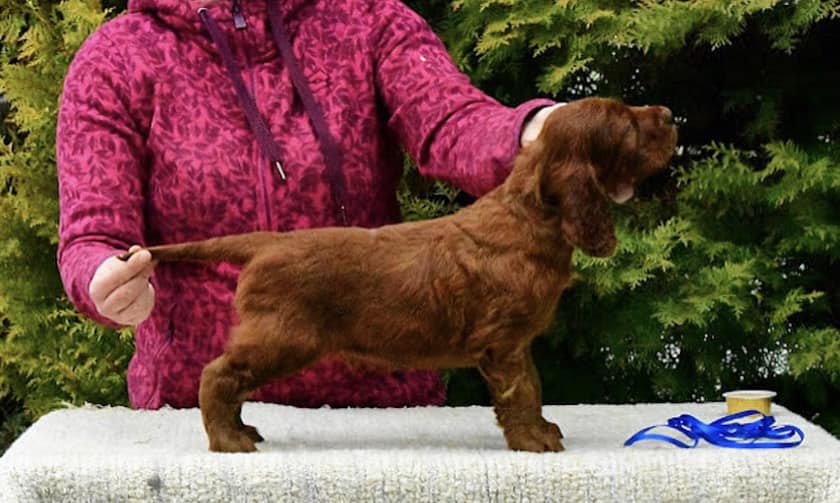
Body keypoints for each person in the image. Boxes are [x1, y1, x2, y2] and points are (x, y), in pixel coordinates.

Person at [57, 0, 561, 410]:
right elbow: (92, 231)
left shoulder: (371, 21)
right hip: (194, 420)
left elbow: (452, 122)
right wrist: (101, 277)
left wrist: (534, 133)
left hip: (383, 416)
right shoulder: (115, 60)